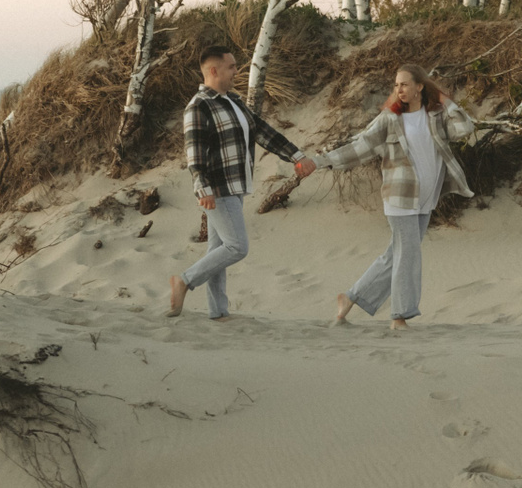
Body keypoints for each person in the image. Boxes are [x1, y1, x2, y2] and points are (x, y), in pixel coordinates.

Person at [311, 64, 476, 329]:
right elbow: (360, 147)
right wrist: (319, 162)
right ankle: (399, 316)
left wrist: (445, 100)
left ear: (419, 86)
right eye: (396, 85)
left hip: (424, 198)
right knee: (408, 254)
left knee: (396, 253)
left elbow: (464, 128)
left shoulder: (435, 116)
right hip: (400, 197)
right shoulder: (390, 119)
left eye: (404, 84)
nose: (399, 89)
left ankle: (350, 297)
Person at [169, 45, 315, 320]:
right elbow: (194, 154)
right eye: (231, 67)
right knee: (237, 247)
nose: (237, 71)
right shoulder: (198, 106)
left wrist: (296, 156)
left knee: (217, 250)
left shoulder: (234, 101)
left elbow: (263, 132)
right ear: (214, 71)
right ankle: (184, 280)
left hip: (236, 186)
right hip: (217, 188)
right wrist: (202, 189)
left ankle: (218, 311)